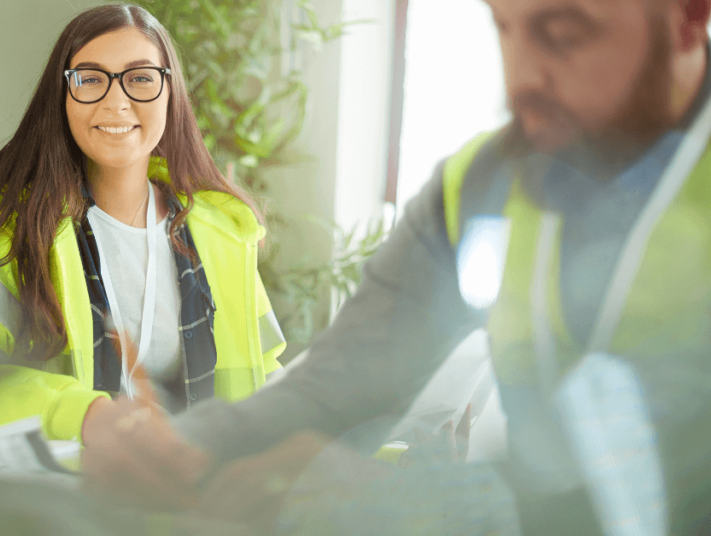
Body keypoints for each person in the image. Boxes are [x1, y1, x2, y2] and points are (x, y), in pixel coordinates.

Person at [84, 0, 711, 532]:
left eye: (566, 35)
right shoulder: (484, 183)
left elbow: (667, 475)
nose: (520, 80)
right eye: (502, 28)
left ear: (688, 18)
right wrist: (180, 450)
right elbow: (342, 385)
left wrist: (420, 503)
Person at [0, 4, 286, 468]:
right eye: (91, 78)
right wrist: (83, 414)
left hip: (199, 493)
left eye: (141, 78)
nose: (116, 102)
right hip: (67, 503)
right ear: (62, 95)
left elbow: (268, 385)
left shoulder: (223, 235)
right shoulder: (12, 227)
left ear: (170, 93)